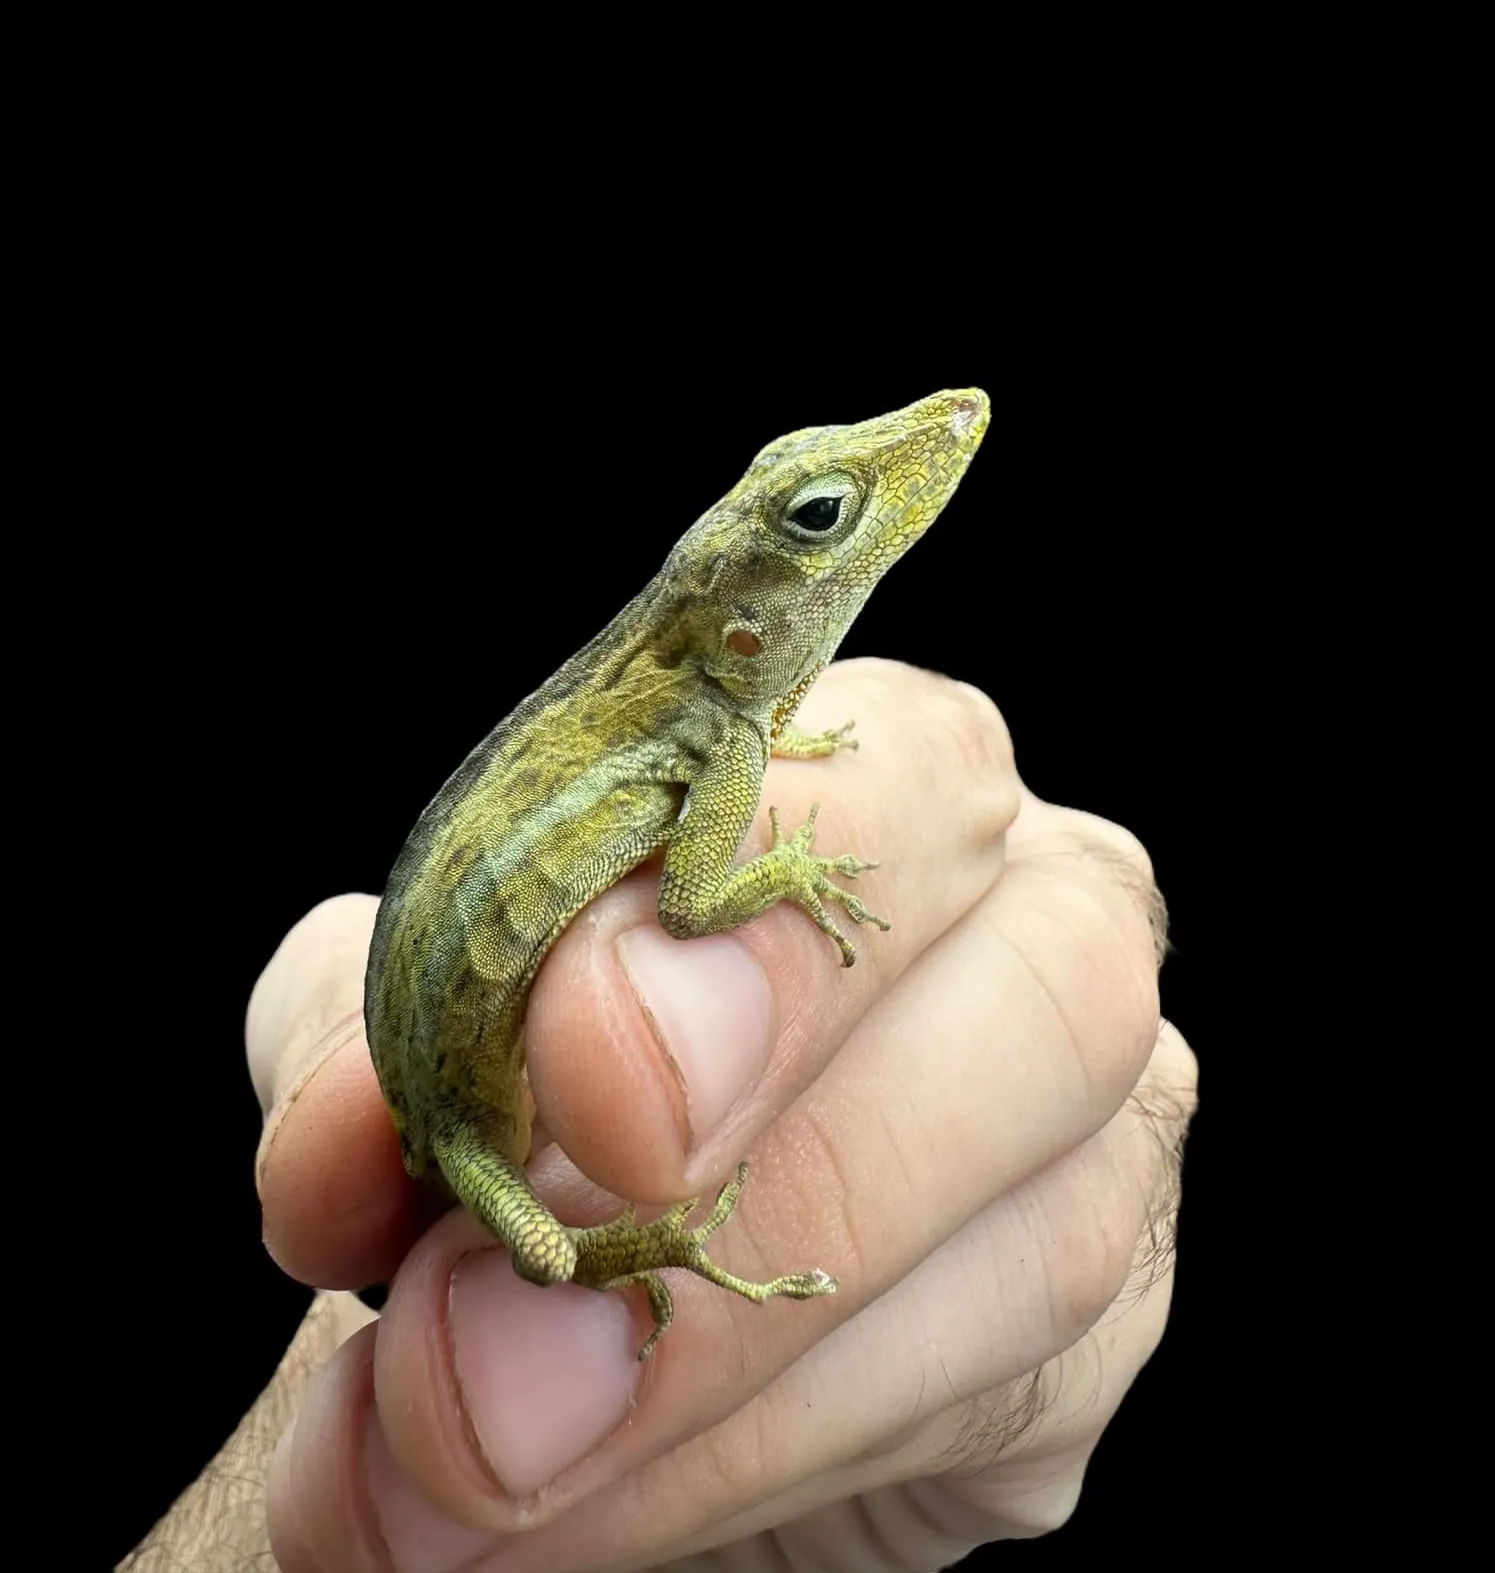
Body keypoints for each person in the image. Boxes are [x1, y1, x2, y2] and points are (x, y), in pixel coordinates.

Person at [218, 660, 1191, 1572]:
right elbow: (688, 904)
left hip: (454, 1077)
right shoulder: (713, 730)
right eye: (820, 519)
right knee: (551, 1255)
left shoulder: (723, 722)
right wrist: (788, 868)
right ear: (732, 638)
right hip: (456, 1132)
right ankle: (636, 1258)